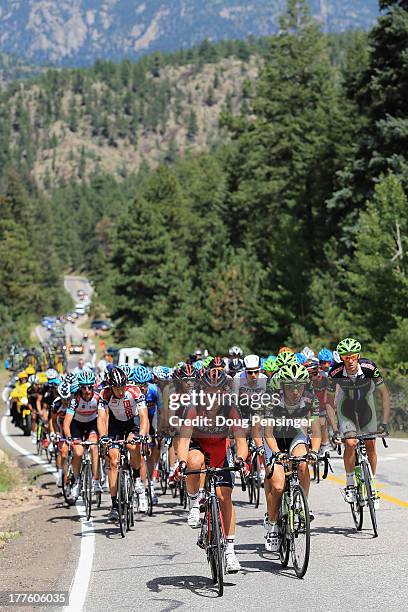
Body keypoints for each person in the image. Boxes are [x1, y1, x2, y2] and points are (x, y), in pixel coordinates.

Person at [175, 367, 248, 574]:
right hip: (198, 448)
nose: (213, 396)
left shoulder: (230, 408)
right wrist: (181, 462)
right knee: (194, 461)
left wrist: (241, 459)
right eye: (208, 391)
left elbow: (241, 442)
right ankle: (194, 502)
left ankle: (230, 552)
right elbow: (184, 440)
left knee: (224, 497)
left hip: (219, 451)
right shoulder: (193, 408)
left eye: (217, 392)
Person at [260, 363, 321, 552]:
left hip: (295, 436)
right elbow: (268, 433)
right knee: (277, 487)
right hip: (274, 440)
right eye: (290, 386)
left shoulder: (310, 400)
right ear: (283, 386)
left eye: (300, 386)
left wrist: (314, 452)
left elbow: (316, 429)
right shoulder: (272, 400)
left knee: (303, 465)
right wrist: (277, 454)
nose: (295, 391)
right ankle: (272, 525)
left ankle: (302, 505)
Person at [326, 338, 390, 505]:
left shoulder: (369, 368)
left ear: (358, 356)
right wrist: (334, 429)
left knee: (370, 445)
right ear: (341, 358)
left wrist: (384, 421)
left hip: (365, 408)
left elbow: (384, 393)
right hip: (345, 409)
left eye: (353, 356)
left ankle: (372, 484)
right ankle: (350, 485)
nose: (350, 360)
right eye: (346, 357)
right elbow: (329, 402)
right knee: (351, 443)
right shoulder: (335, 372)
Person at [98, 366, 149, 519]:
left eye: (122, 387)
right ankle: (114, 505)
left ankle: (136, 477)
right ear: (110, 386)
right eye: (116, 388)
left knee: (132, 445)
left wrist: (141, 434)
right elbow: (101, 418)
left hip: (132, 422)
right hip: (115, 424)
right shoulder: (105, 393)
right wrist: (103, 436)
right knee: (113, 461)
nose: (120, 391)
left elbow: (143, 417)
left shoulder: (134, 391)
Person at [63, 369, 101, 499]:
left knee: (94, 447)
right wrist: (68, 438)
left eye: (90, 387)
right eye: (84, 388)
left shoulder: (97, 397)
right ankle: (76, 482)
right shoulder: (75, 399)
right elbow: (67, 423)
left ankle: (96, 480)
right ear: (80, 387)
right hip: (77, 425)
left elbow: (103, 418)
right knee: (78, 452)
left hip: (92, 424)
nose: (87, 390)